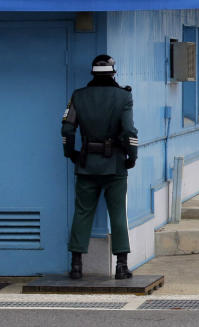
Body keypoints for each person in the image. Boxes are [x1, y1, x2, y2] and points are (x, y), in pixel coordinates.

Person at [62, 54, 138, 280]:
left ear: (92, 73)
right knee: (117, 214)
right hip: (114, 165)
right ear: (114, 73)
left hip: (86, 164)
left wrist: (71, 154)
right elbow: (129, 132)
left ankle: (76, 265)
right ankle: (121, 266)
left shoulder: (78, 96)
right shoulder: (124, 97)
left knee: (82, 213)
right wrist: (131, 157)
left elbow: (67, 130)